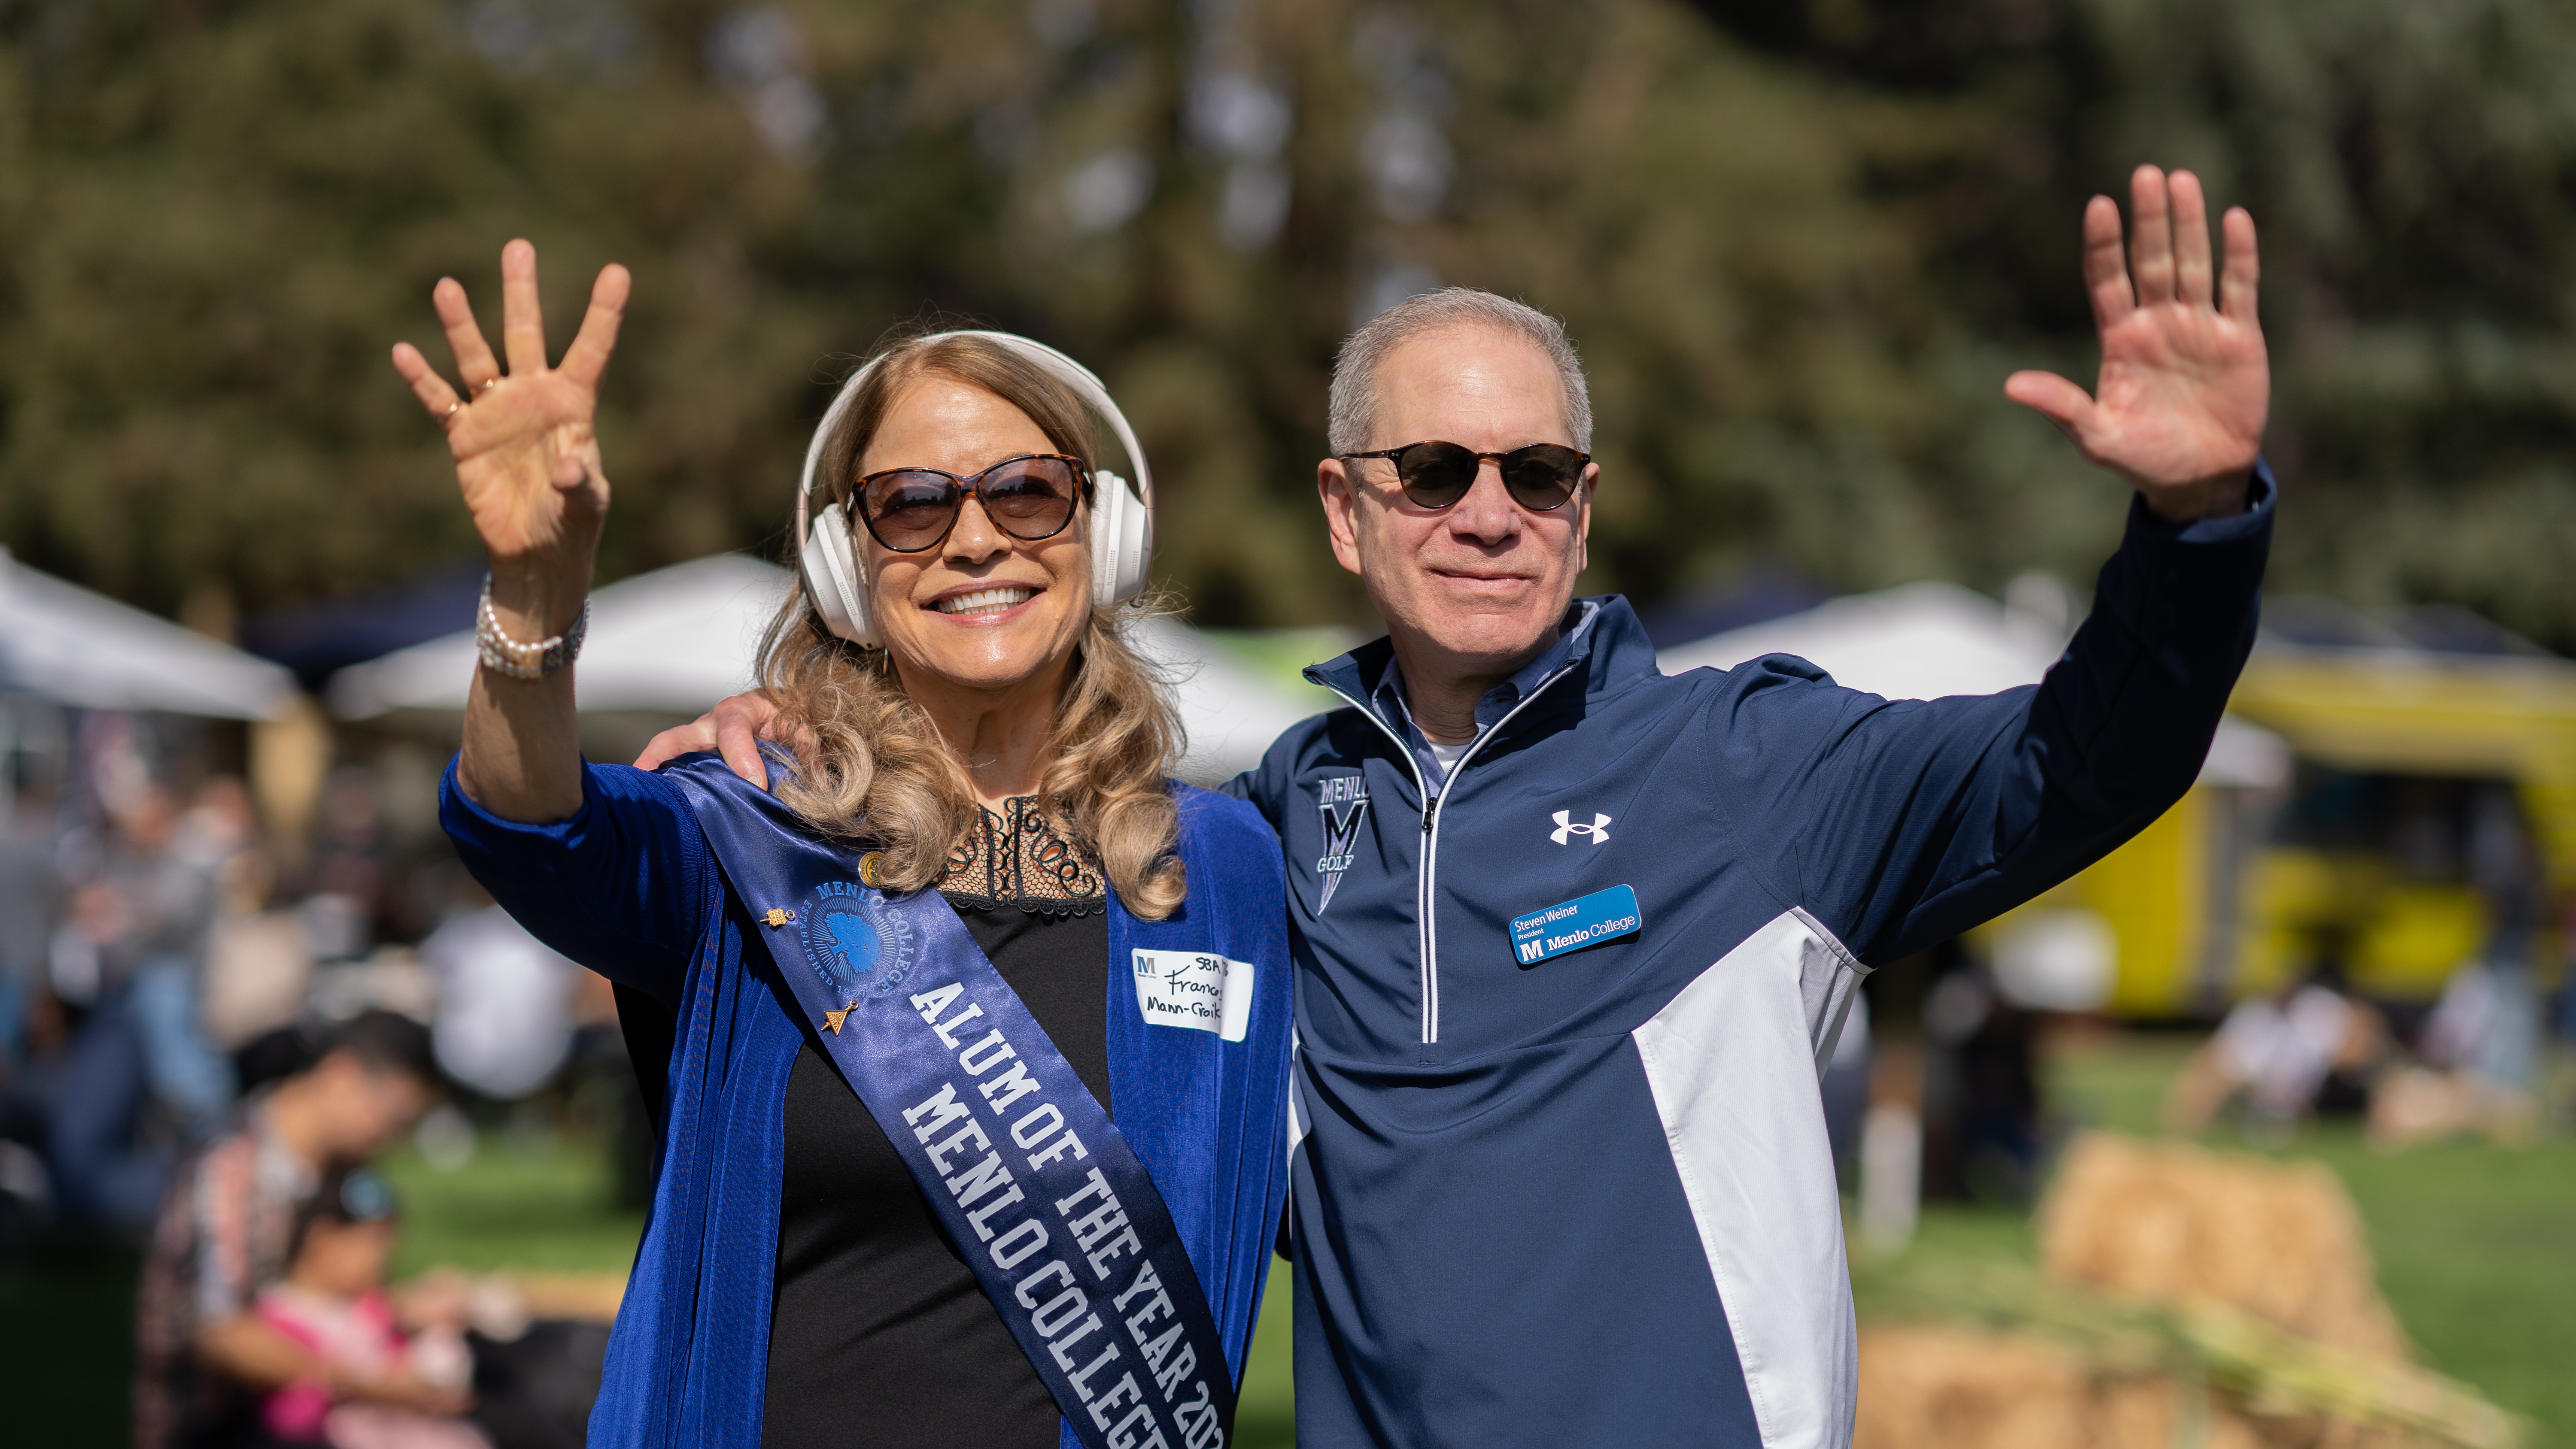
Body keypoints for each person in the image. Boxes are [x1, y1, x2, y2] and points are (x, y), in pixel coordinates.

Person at [651, 163, 2276, 1447]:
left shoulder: (1755, 764)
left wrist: (2193, 526)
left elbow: (2090, 758)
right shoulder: (1264, 820)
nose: (1486, 511)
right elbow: (1001, 880)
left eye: (1535, 473)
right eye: (1431, 470)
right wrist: (807, 737)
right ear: (1346, 513)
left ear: (1584, 506)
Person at [391, 243, 1293, 1449]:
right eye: (914, 505)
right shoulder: (753, 829)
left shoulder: (1229, 867)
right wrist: (532, 603)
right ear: (847, 562)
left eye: (1027, 490)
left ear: (1105, 529)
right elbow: (529, 825)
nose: (975, 540)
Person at [135, 1010, 444, 1449]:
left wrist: (406, 1312)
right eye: (395, 1117)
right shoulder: (229, 1172)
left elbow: (316, 1301)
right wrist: (370, 1381)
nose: (391, 1139)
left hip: (311, 1409)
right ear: (341, 1074)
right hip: (215, 1428)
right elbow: (220, 1334)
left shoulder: (335, 1171)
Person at [252, 1166, 486, 1449]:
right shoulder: (278, 1319)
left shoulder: (371, 1306)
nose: (385, 1259)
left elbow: (401, 1348)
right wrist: (371, 1389)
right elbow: (290, 1416)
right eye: (375, 1243)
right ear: (324, 1242)